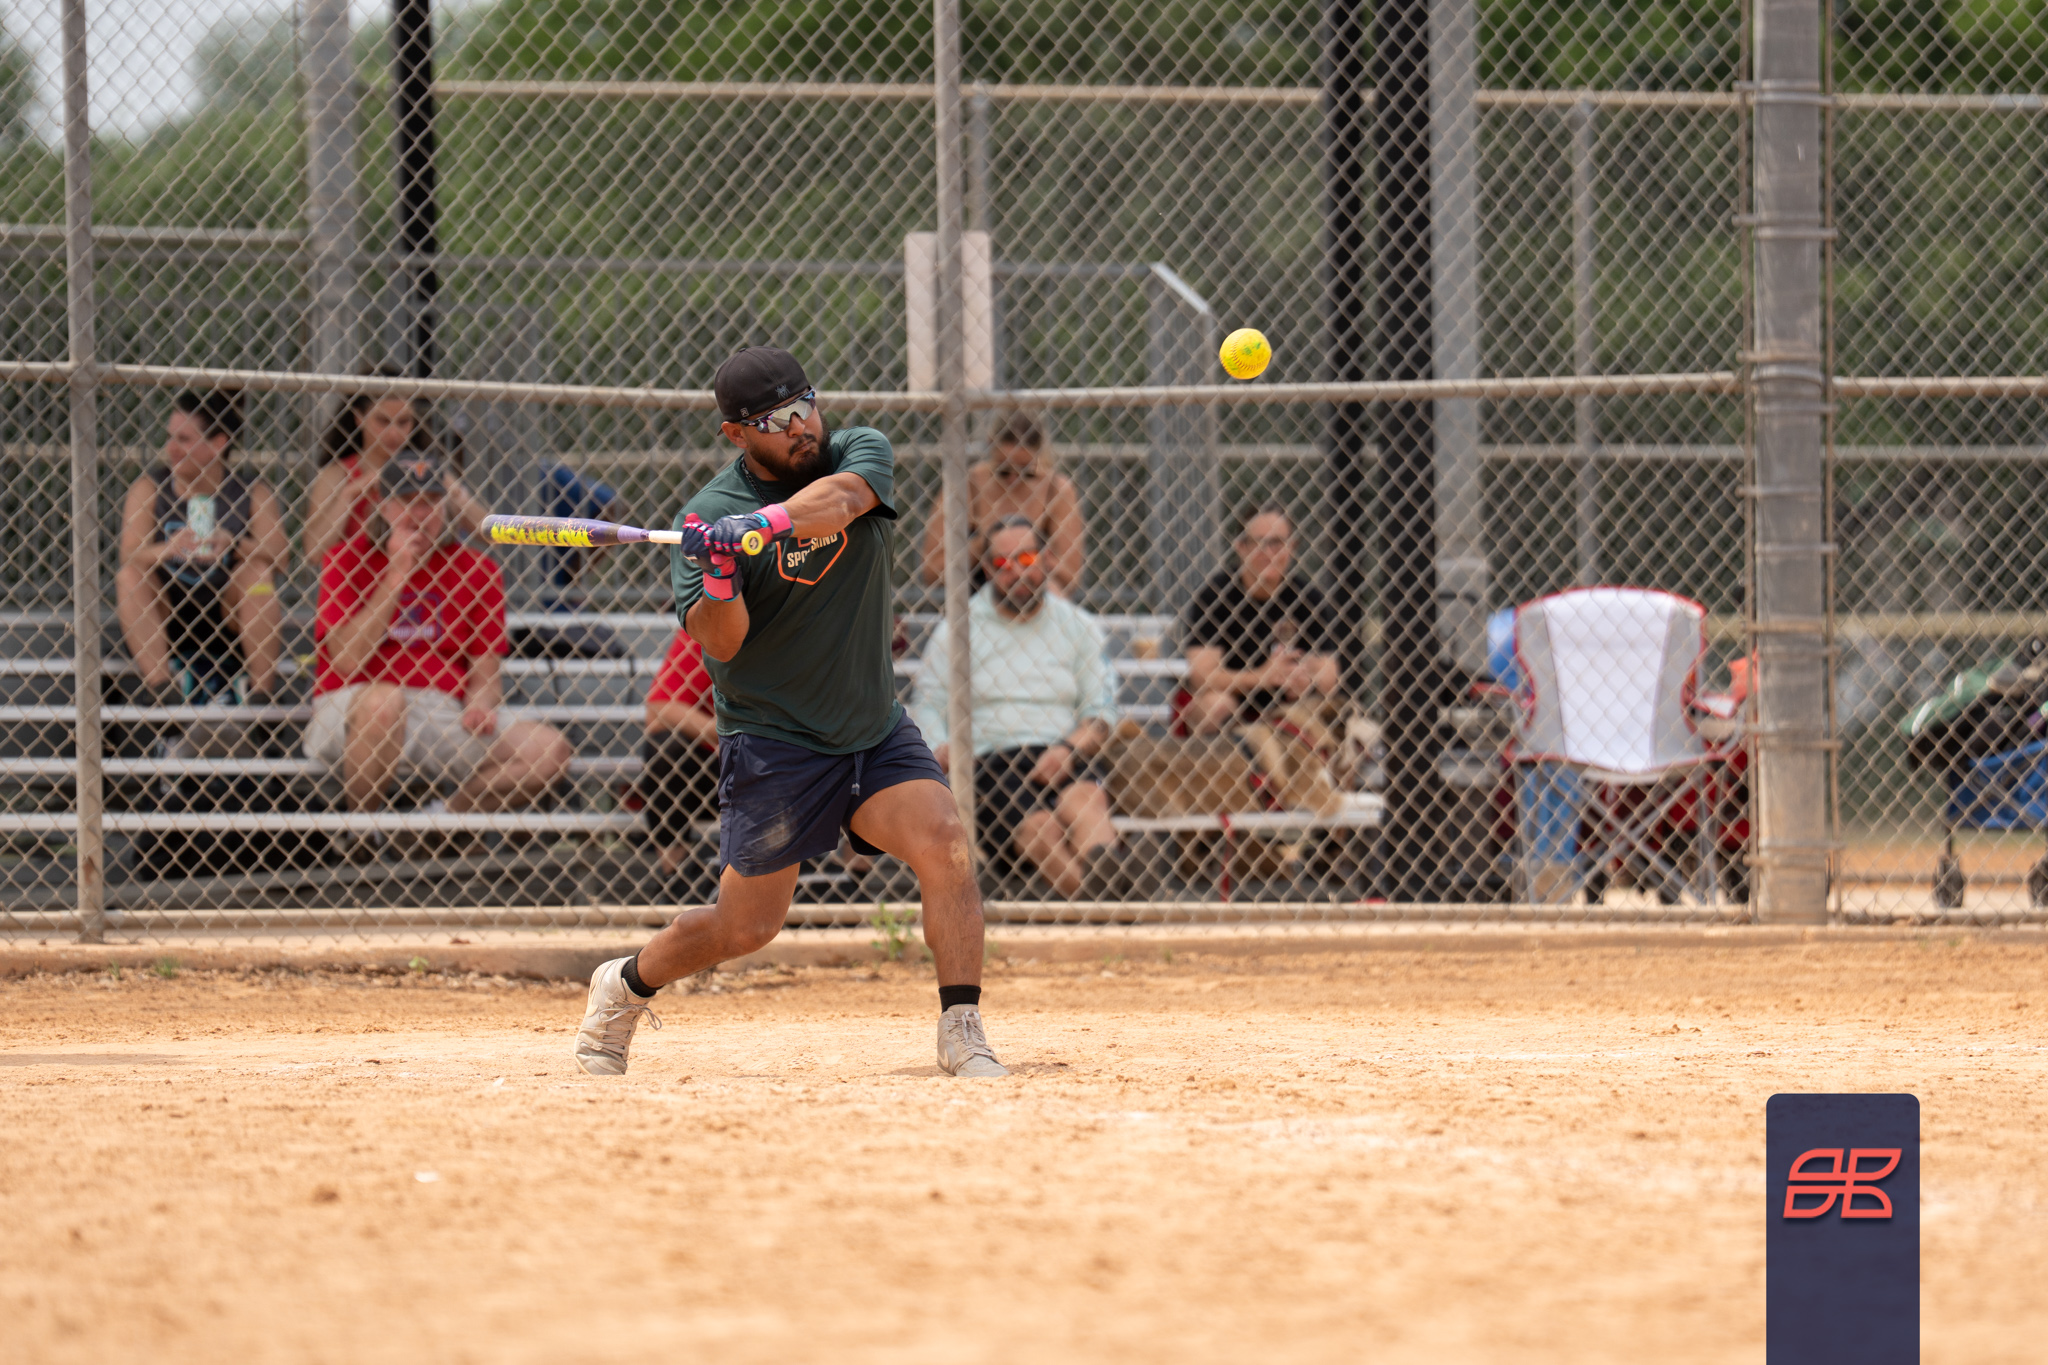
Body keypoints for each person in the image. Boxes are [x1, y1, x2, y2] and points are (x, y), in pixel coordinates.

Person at [571, 345, 1006, 1079]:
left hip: (872, 726)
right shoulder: (710, 515)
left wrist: (763, 526)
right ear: (735, 434)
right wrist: (719, 570)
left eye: (804, 405)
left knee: (947, 843)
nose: (801, 426)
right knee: (746, 927)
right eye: (774, 420)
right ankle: (624, 985)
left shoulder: (857, 451)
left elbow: (840, 503)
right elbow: (723, 641)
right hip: (776, 742)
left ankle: (961, 1027)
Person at [305, 452, 572, 846]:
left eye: (430, 502)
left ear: (446, 507)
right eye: (406, 501)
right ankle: (362, 834)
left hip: (440, 709)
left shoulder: (478, 569)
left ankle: (438, 824)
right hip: (355, 707)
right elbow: (346, 659)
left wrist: (480, 703)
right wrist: (397, 574)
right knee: (384, 703)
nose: (419, 514)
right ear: (383, 506)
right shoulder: (346, 558)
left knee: (549, 751)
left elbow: (485, 673)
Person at [914, 518, 1131, 899]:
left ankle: (1104, 899)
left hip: (1063, 750)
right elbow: (928, 702)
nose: (1016, 571)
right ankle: (1115, 901)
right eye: (1002, 563)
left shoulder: (1078, 625)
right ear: (987, 570)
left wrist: (1068, 749)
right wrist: (941, 748)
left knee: (1086, 800)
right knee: (1041, 828)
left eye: (1026, 558)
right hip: (990, 759)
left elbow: (1101, 710)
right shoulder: (959, 628)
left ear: (1048, 560)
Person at [115, 389, 287, 704]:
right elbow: (129, 555)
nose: (171, 448)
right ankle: (161, 690)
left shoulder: (250, 491)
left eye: (183, 439)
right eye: (171, 437)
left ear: (218, 444)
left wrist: (235, 544)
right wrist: (166, 549)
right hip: (168, 612)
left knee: (258, 574)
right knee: (130, 577)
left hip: (228, 612)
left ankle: (262, 695)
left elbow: (281, 557)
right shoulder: (151, 487)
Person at [1179, 503, 1341, 735]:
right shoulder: (1215, 596)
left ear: (1292, 547)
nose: (1269, 553)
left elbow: (1329, 673)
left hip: (1285, 706)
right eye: (1259, 543)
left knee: (1324, 707)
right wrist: (1261, 677)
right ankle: (1229, 756)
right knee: (1216, 705)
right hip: (1233, 703)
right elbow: (1201, 677)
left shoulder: (1308, 598)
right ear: (1241, 547)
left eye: (1278, 543)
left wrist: (1305, 677)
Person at [302, 381, 490, 568]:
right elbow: (313, 552)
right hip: (361, 579)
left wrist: (455, 495)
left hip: (425, 579)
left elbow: (495, 533)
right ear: (359, 417)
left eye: (403, 422)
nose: (394, 433)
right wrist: (349, 494)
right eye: (383, 421)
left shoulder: (427, 471)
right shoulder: (339, 474)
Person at [918, 411, 1084, 597]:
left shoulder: (1055, 488)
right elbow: (932, 571)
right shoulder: (969, 484)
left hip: (1035, 594)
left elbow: (1070, 577)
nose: (1013, 479)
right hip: (977, 595)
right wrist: (984, 544)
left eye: (1025, 471)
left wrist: (1032, 555)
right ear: (991, 448)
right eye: (1003, 471)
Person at [640, 626, 720, 891]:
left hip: (783, 759)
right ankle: (675, 879)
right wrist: (726, 732)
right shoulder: (712, 621)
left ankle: (841, 875)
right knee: (666, 749)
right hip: (718, 764)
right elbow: (658, 710)